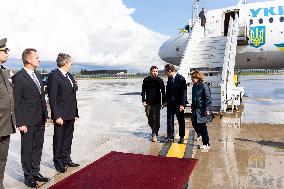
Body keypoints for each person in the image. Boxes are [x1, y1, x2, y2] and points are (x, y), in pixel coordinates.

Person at [12, 48, 49, 188]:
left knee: (38, 147)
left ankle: (36, 172)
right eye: (36, 57)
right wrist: (20, 123)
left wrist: (45, 115)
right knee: (27, 149)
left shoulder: (38, 76)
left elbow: (42, 98)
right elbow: (17, 102)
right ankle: (28, 176)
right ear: (28, 60)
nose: (39, 59)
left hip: (40, 119)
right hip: (27, 121)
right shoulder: (19, 78)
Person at [48, 53, 79, 174]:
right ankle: (58, 162)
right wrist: (56, 116)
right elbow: (52, 98)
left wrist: (75, 113)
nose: (71, 64)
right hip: (61, 115)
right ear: (65, 63)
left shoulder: (69, 75)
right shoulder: (54, 76)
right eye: (70, 62)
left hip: (70, 113)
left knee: (68, 138)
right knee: (59, 139)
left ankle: (66, 159)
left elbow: (73, 93)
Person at [0, 38, 16, 189]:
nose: (7, 53)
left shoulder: (3, 72)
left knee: (2, 159)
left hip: (5, 124)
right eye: (5, 50)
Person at [141, 66, 166, 142]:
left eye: (156, 71)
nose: (155, 73)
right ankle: (155, 130)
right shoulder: (146, 80)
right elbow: (143, 91)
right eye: (153, 71)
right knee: (149, 118)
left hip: (157, 103)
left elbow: (163, 92)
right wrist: (143, 100)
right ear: (150, 72)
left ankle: (154, 134)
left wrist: (164, 101)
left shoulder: (160, 80)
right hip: (148, 102)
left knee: (155, 118)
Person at [164, 64, 187, 144]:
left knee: (181, 120)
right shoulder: (169, 79)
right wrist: (166, 101)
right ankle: (170, 137)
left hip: (178, 104)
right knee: (169, 120)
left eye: (165, 72)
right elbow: (168, 91)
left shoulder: (181, 79)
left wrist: (182, 105)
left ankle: (181, 136)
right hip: (170, 104)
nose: (165, 73)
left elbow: (184, 93)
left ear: (170, 71)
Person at [191, 70, 212, 150]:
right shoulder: (194, 86)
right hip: (195, 109)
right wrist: (192, 106)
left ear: (198, 77)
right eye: (192, 78)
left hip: (202, 110)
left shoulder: (204, 86)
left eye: (193, 77)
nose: (192, 79)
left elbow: (208, 99)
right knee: (194, 123)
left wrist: (207, 109)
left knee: (203, 127)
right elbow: (194, 98)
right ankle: (199, 134)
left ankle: (206, 144)